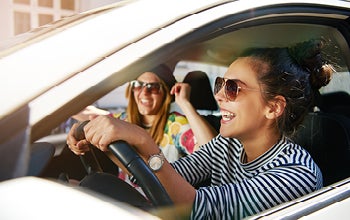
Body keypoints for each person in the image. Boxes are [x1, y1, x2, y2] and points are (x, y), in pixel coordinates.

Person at [67, 39, 333, 219]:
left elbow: (198, 209)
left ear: (273, 107)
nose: (218, 96)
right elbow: (161, 176)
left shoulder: (296, 173)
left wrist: (143, 140)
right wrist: (102, 136)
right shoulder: (227, 145)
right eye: (220, 84)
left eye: (233, 88)